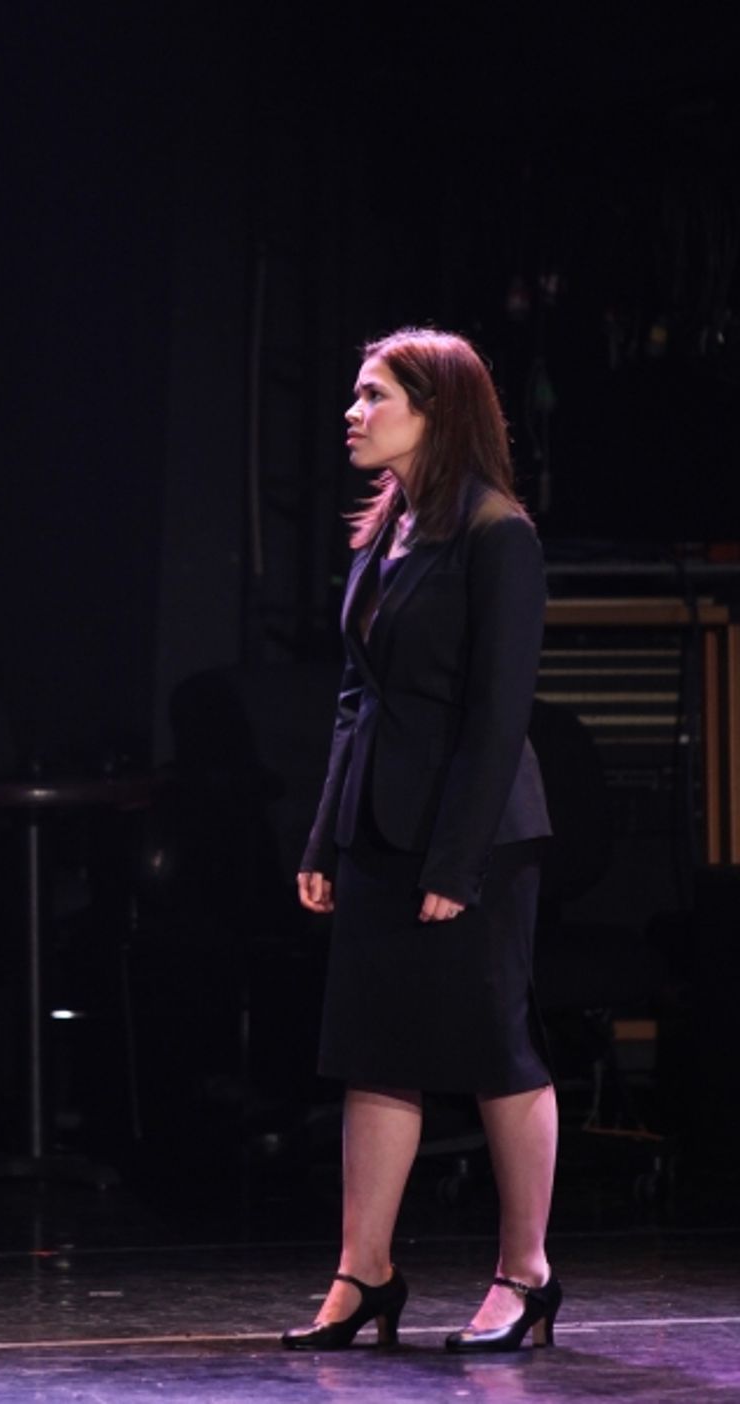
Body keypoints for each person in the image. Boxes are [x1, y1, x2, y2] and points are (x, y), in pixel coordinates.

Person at [281, 328, 560, 1354]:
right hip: (379, 828)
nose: (352, 413)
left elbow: (496, 715)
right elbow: (359, 698)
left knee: (495, 1051)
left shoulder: (498, 535)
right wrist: (323, 835)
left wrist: (457, 861)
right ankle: (365, 1275)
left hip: (474, 835)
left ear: (435, 412)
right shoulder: (390, 530)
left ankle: (524, 1276)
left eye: (372, 396)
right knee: (374, 1052)